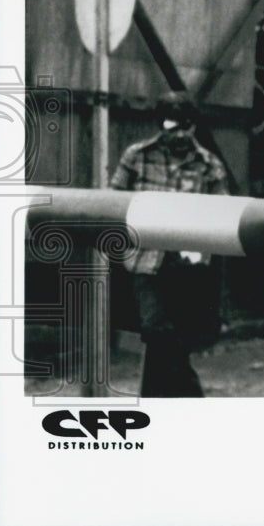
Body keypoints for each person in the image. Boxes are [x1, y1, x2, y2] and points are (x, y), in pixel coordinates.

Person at [110, 91, 228, 396]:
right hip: (145, 260)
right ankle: (191, 395)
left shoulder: (209, 165)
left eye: (184, 126)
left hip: (188, 266)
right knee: (156, 328)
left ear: (193, 126)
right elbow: (112, 203)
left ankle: (154, 400)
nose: (178, 133)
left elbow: (222, 213)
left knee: (175, 338)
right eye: (170, 124)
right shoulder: (137, 156)